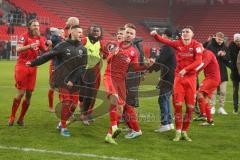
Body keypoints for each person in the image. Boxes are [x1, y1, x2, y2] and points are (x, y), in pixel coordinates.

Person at [27, 25, 87, 137]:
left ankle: (61, 123)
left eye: (81, 32)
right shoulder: (62, 46)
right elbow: (48, 55)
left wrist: (73, 81)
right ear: (71, 32)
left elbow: (82, 67)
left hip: (75, 81)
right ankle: (64, 127)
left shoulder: (83, 49)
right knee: (67, 102)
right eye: (78, 32)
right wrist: (34, 62)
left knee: (73, 106)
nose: (81, 34)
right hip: (62, 79)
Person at [151, 26, 203, 141]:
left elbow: (199, 61)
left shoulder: (196, 45)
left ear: (192, 34)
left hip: (191, 79)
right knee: (178, 105)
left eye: (187, 31)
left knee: (190, 108)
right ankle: (178, 132)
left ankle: (185, 131)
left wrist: (186, 69)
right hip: (178, 79)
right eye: (183, 32)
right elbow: (164, 40)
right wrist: (155, 35)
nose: (185, 33)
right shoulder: (177, 43)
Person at [104, 24, 152, 144]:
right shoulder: (115, 45)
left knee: (121, 106)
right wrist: (113, 53)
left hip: (121, 80)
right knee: (114, 99)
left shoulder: (133, 51)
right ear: (124, 33)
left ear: (134, 36)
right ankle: (115, 127)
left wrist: (146, 66)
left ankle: (109, 135)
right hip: (110, 76)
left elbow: (134, 67)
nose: (129, 35)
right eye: (127, 32)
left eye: (131, 33)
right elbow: (108, 60)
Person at [8, 19, 51, 126]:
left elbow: (45, 51)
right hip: (22, 66)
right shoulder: (24, 36)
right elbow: (17, 49)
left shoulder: (39, 38)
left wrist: (49, 46)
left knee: (29, 95)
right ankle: (12, 116)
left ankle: (21, 118)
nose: (37, 27)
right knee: (21, 93)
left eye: (38, 25)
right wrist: (29, 46)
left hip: (33, 67)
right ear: (29, 27)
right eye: (34, 25)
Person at [148, 29, 176, 133]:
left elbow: (160, 62)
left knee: (162, 99)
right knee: (166, 99)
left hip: (168, 77)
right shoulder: (172, 46)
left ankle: (165, 124)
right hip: (171, 76)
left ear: (164, 36)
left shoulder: (167, 47)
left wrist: (150, 67)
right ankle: (169, 123)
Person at [205, 32, 231, 115]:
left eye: (222, 39)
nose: (220, 41)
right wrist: (217, 55)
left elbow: (228, 60)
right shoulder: (210, 46)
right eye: (219, 39)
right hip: (213, 72)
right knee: (213, 91)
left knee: (223, 91)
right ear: (215, 38)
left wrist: (223, 56)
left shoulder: (225, 47)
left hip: (223, 71)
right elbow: (208, 58)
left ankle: (221, 108)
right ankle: (212, 107)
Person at [195, 49, 220, 125]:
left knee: (199, 93)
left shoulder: (207, 53)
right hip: (212, 78)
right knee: (204, 97)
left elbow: (203, 65)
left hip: (212, 78)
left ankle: (205, 115)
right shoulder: (206, 53)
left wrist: (194, 73)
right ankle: (207, 118)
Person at [48, 28, 65, 112]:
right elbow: (48, 42)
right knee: (52, 87)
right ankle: (50, 107)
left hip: (63, 66)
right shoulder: (54, 39)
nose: (62, 34)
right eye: (60, 32)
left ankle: (61, 105)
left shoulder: (65, 41)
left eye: (63, 32)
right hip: (54, 65)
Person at [229, 33, 240, 114]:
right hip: (235, 72)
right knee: (235, 90)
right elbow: (233, 58)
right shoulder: (231, 47)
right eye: (236, 41)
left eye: (239, 41)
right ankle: (235, 108)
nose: (238, 42)